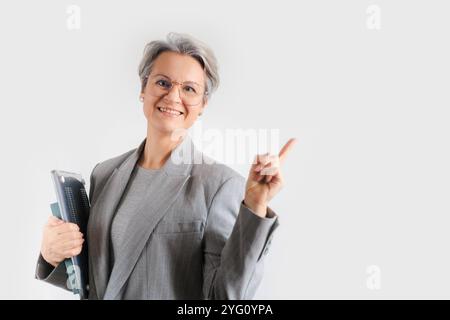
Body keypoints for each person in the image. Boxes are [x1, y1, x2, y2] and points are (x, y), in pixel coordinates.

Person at [36, 32, 296, 299]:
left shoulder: (219, 185)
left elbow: (225, 297)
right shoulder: (104, 174)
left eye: (189, 89)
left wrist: (254, 207)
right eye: (163, 82)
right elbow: (102, 280)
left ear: (202, 105)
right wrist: (52, 254)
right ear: (143, 89)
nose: (173, 96)